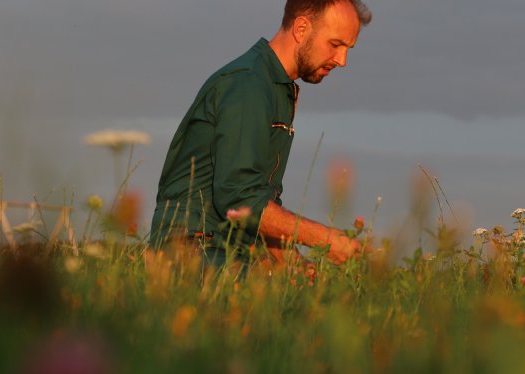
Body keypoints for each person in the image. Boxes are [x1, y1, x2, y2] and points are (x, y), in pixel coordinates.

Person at [149, 0, 372, 266]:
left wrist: (293, 264)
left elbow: (260, 202)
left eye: (348, 49)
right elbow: (239, 199)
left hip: (228, 248)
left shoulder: (276, 87)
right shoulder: (248, 85)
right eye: (335, 44)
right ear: (301, 29)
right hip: (193, 247)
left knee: (305, 286)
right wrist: (326, 239)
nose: (342, 61)